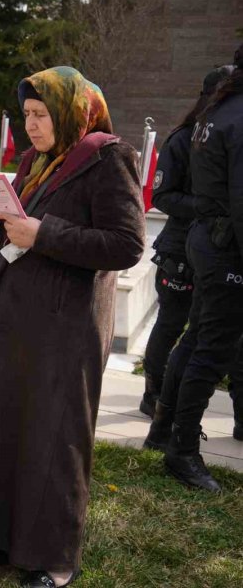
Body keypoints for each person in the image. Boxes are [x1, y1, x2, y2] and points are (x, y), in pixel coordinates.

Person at [0, 67, 145, 588]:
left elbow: (126, 245)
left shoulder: (109, 157)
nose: (32, 126)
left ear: (73, 111)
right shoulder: (33, 161)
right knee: (14, 428)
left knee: (56, 437)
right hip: (20, 319)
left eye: (42, 115)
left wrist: (45, 232)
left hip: (68, 327)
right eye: (26, 115)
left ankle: (53, 560)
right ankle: (3, 539)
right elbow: (16, 238)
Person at [144, 55, 243, 492]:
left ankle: (165, 432)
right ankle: (182, 449)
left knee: (197, 337)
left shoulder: (219, 113)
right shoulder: (228, 116)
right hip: (224, 248)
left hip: (209, 242)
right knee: (211, 350)